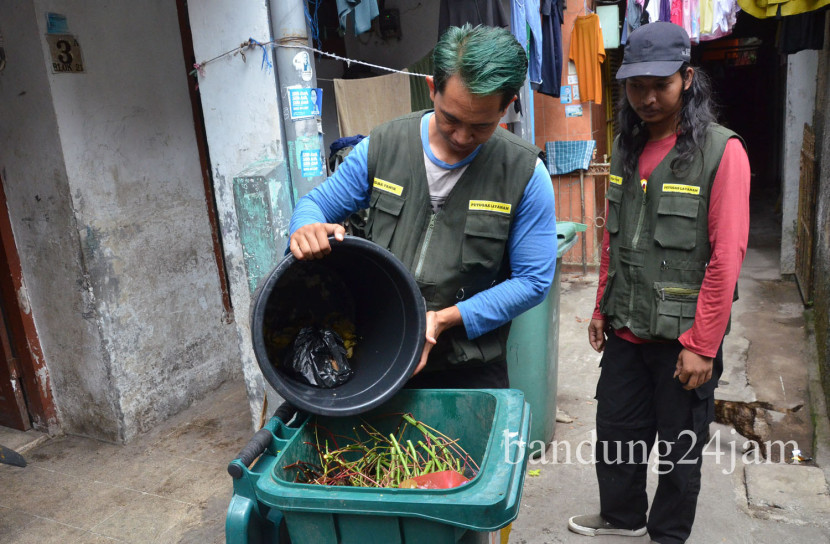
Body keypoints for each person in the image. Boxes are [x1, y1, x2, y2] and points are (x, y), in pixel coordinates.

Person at [288, 24, 557, 389]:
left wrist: (444, 318)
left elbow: (533, 280)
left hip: (470, 368)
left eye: (481, 126)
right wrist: (306, 227)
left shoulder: (525, 174)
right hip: (379, 354)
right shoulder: (383, 147)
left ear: (507, 107)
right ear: (432, 88)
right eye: (451, 119)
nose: (462, 137)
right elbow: (315, 205)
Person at [568, 22, 750, 543]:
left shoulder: (721, 153)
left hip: (683, 339)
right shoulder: (625, 149)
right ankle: (623, 518)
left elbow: (727, 257)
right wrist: (603, 305)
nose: (647, 97)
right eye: (635, 85)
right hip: (627, 329)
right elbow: (614, 236)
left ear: (687, 79)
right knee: (616, 433)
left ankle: (667, 534)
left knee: (679, 450)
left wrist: (703, 344)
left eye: (660, 84)